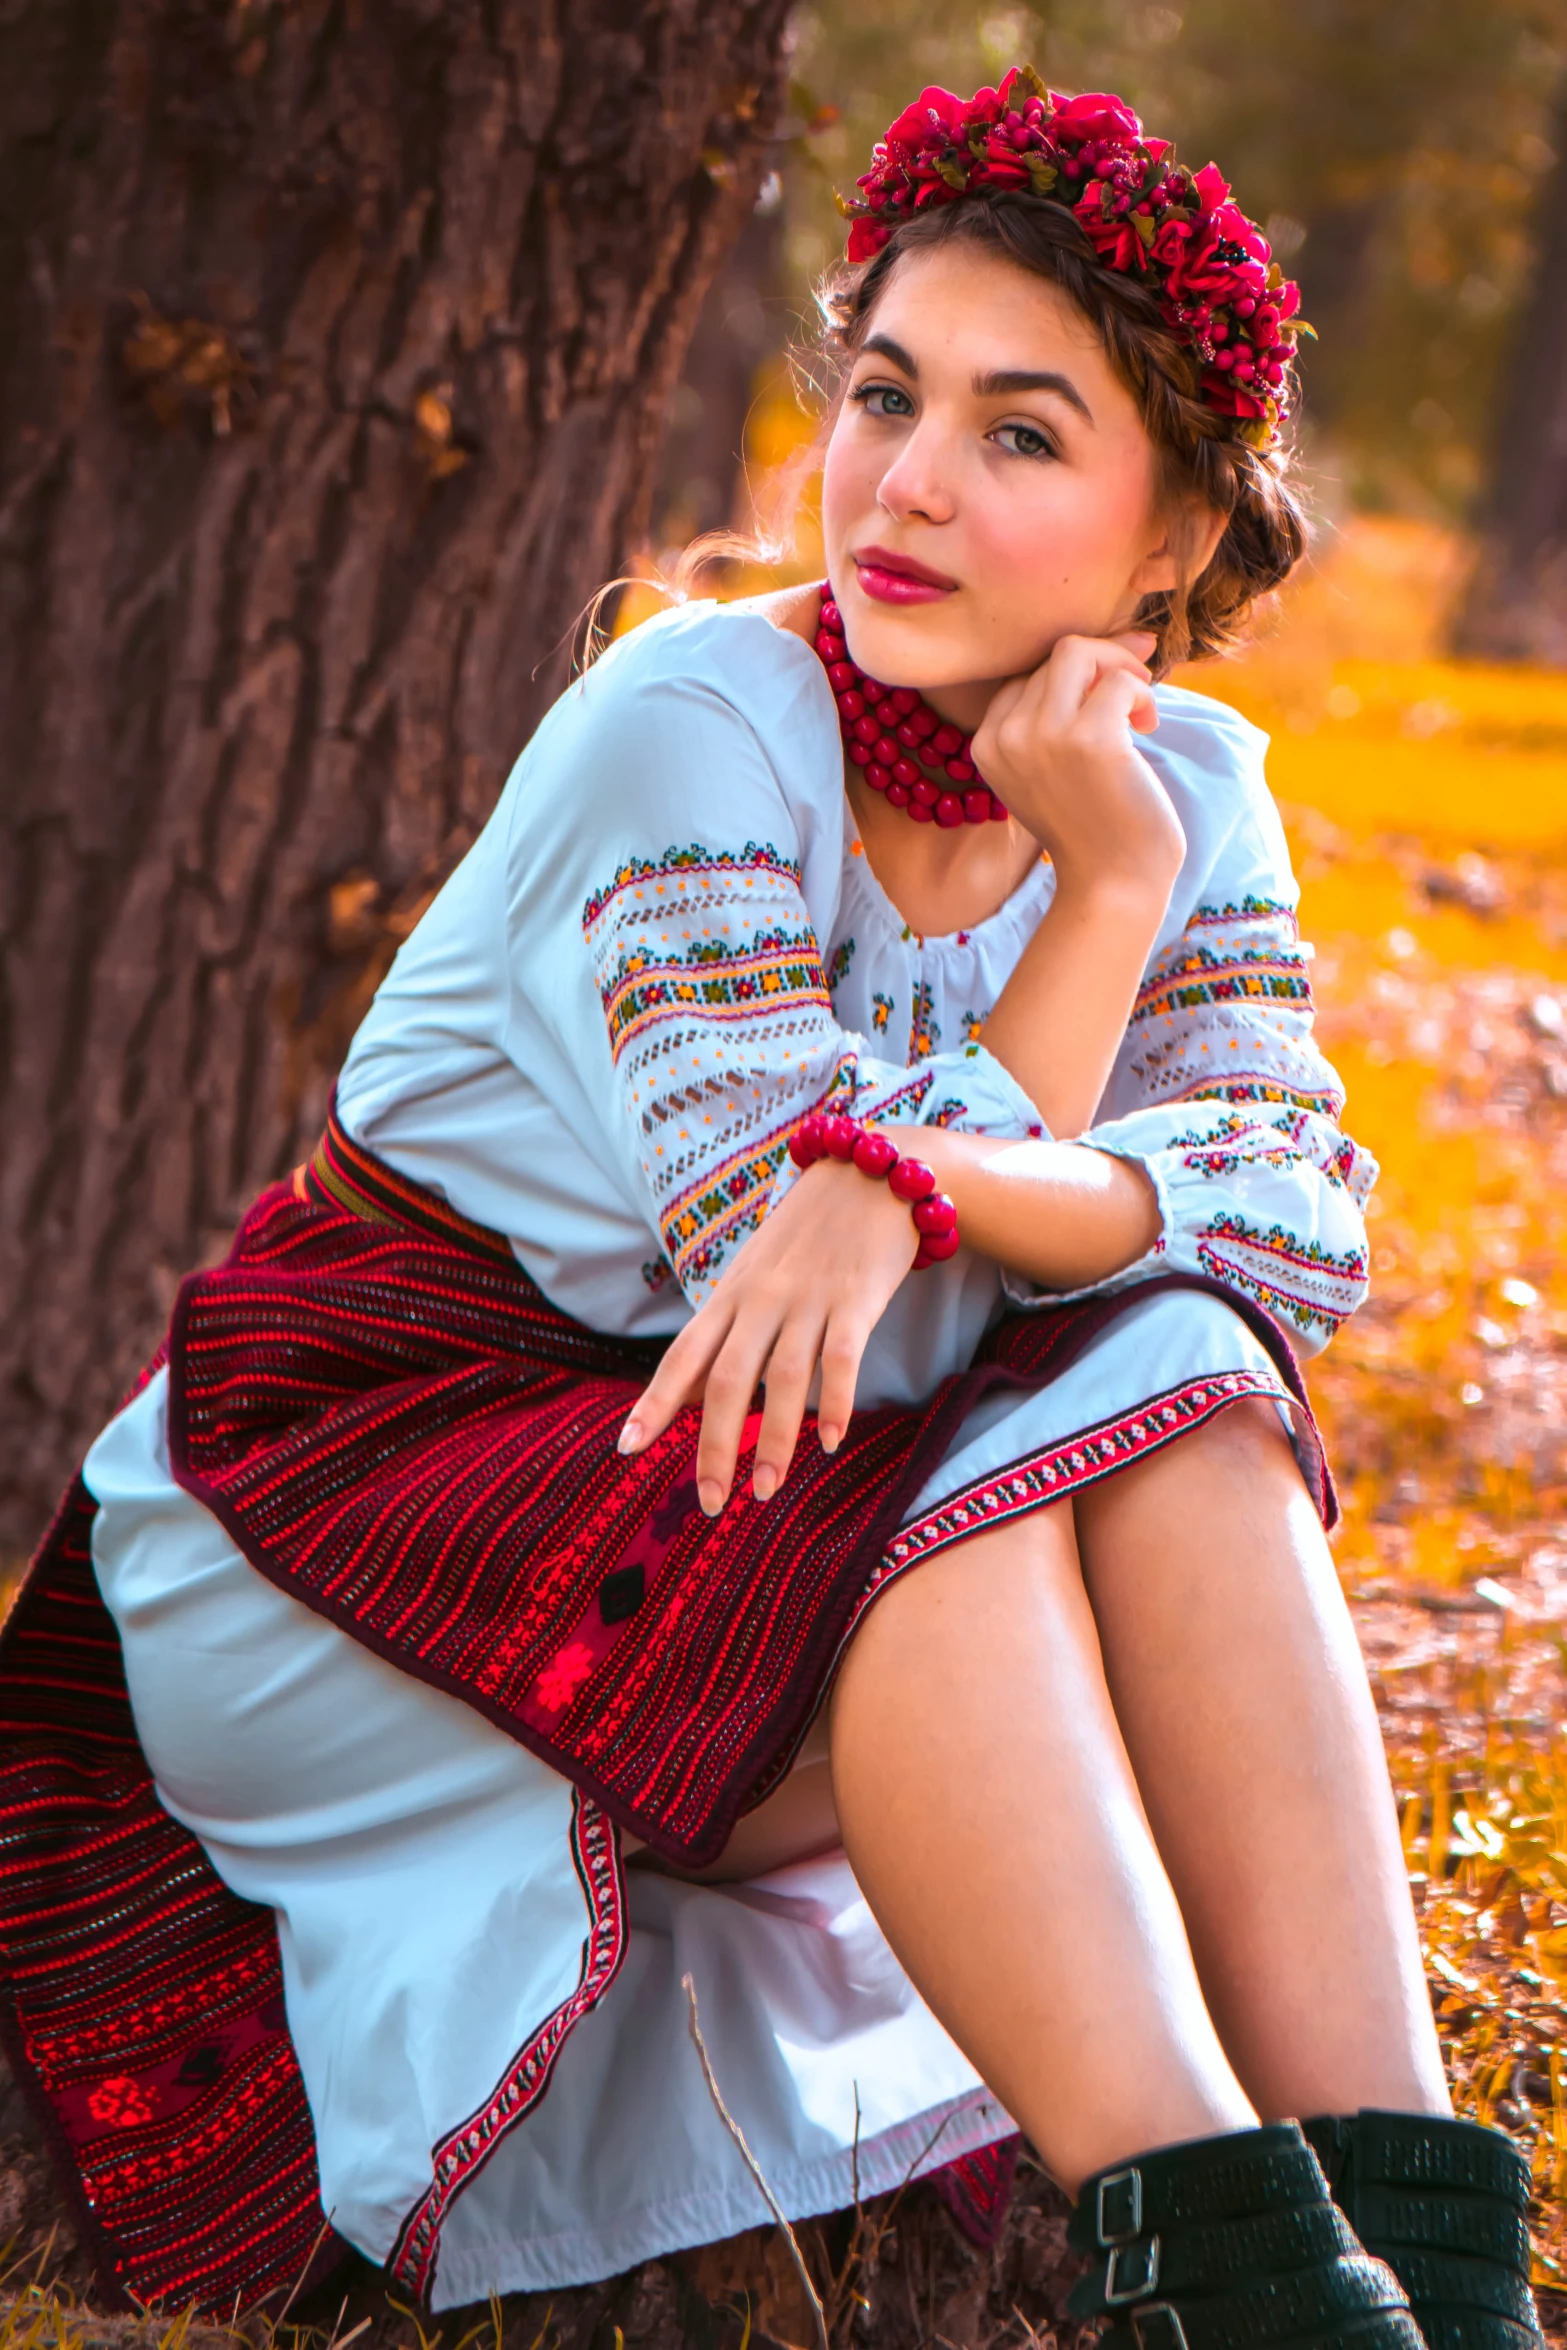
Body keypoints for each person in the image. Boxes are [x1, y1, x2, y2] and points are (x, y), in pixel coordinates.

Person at [0, 65, 1541, 2350]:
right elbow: (789, 1294)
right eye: (889, 392)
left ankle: (1431, 2266)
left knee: (1196, 1380)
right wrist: (954, 1168)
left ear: (1172, 549)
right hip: (373, 1480)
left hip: (761, 1510)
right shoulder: (692, 716)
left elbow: (1288, 1215)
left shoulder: (1188, 792)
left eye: (1022, 434)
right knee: (984, 1472)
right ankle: (1244, 2285)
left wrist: (997, 1041)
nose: (906, 482)